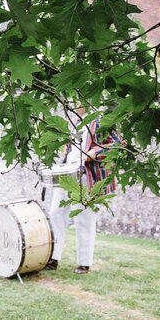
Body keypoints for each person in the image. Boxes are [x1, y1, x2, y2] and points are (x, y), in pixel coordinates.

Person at [47, 115, 120, 274]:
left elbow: (117, 144)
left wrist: (95, 151)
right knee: (55, 214)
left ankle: (84, 262)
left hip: (87, 176)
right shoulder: (71, 120)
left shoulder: (101, 120)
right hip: (66, 174)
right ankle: (52, 257)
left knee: (84, 218)